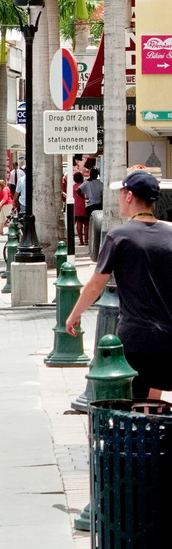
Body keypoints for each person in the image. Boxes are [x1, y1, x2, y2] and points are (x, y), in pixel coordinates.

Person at [66, 171, 172, 404]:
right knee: (156, 400)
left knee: (138, 403)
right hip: (169, 338)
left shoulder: (119, 237)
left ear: (129, 196)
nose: (118, 198)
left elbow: (96, 285)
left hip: (137, 339)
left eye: (121, 193)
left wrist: (74, 314)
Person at [72, 171, 89, 247]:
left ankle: (81, 241)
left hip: (76, 206)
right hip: (83, 205)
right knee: (86, 223)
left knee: (79, 223)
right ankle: (86, 240)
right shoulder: (84, 185)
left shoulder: (73, 186)